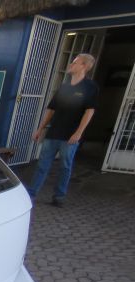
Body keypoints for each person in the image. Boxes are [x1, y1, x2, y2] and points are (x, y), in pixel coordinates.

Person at [27, 53, 98, 207]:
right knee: (42, 165)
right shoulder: (64, 87)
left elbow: (89, 111)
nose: (71, 65)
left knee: (65, 166)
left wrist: (78, 133)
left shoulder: (90, 87)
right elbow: (51, 109)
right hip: (53, 133)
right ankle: (31, 193)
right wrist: (40, 128)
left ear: (84, 66)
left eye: (75, 62)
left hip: (70, 136)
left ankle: (59, 196)